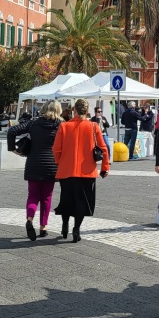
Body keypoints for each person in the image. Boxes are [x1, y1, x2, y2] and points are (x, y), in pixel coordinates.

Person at [53, 99, 110, 242]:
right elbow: (103, 148)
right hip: (87, 171)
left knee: (66, 200)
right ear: (87, 110)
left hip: (67, 170)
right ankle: (76, 228)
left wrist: (60, 162)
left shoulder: (64, 126)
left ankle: (65, 224)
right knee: (83, 202)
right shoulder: (93, 126)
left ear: (74, 110)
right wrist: (105, 168)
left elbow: (56, 149)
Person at [8, 100, 62, 240]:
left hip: (33, 164)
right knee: (46, 197)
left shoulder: (33, 123)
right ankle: (43, 227)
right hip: (51, 165)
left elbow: (12, 131)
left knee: (32, 196)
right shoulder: (61, 125)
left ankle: (29, 220)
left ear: (44, 109)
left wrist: (13, 149)